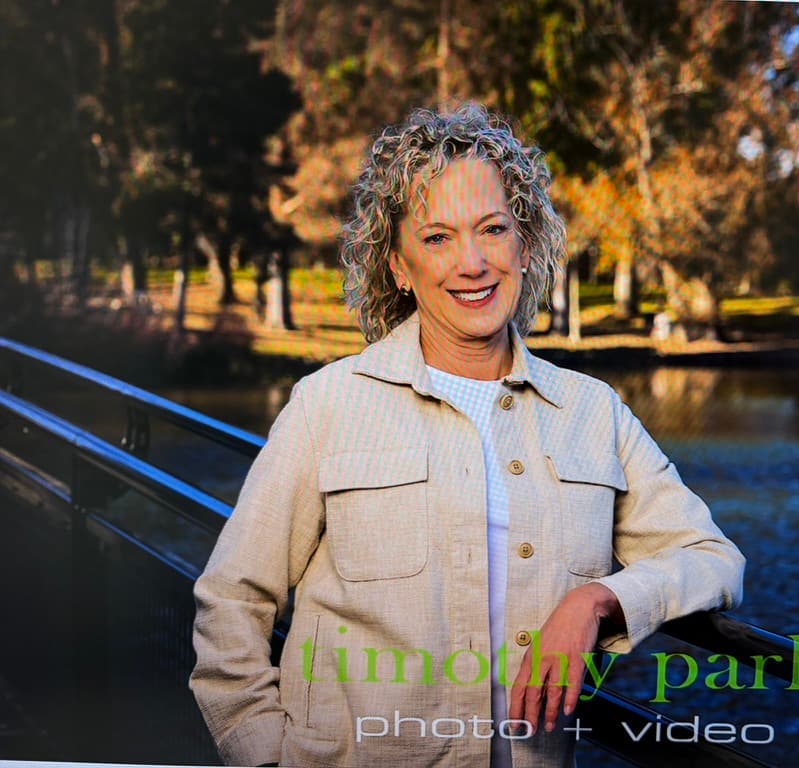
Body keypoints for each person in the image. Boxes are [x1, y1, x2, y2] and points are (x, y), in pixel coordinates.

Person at [190, 103, 745, 768]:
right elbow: (233, 599)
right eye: (438, 238)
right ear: (398, 266)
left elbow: (711, 557)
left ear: (525, 245)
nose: (473, 262)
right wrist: (263, 756)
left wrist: (600, 600)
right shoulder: (327, 405)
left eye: (492, 229)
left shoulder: (593, 412)